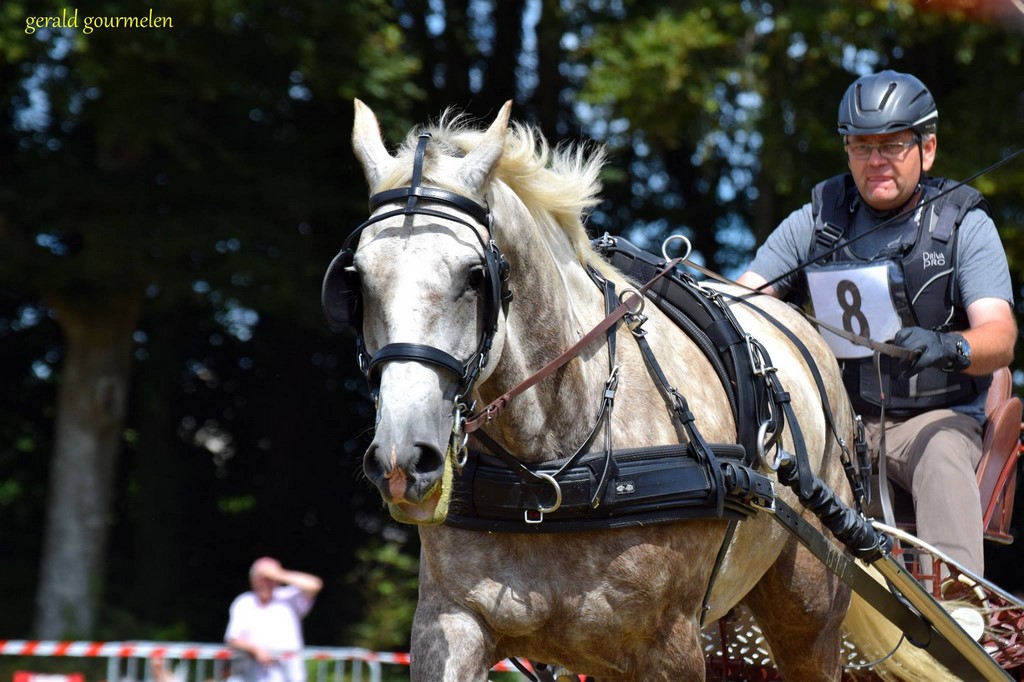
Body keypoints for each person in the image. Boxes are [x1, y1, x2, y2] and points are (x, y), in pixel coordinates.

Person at [736, 70, 1017, 576]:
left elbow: (1001, 335)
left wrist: (950, 346)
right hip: (838, 425)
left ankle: (958, 597)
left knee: (941, 450)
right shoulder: (816, 220)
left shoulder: (964, 223)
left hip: (935, 420)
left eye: (892, 145)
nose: (876, 161)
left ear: (927, 149)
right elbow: (744, 299)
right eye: (862, 147)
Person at [225, 557, 323, 682]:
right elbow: (233, 639)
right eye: (262, 578)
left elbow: (315, 585)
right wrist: (256, 650)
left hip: (289, 675)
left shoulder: (288, 598)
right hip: (251, 675)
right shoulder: (243, 602)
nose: (266, 583)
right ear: (253, 580)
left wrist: (278, 573)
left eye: (270, 579)